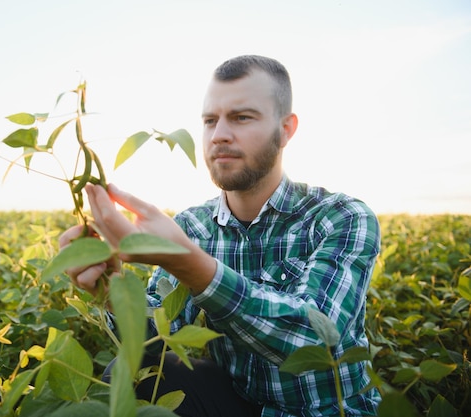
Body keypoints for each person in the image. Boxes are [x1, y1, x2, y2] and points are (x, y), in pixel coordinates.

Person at [59, 55, 381, 416]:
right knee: (133, 374)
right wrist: (112, 288)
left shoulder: (340, 216)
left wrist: (190, 264)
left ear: (286, 129)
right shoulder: (193, 226)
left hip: (324, 411)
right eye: (210, 120)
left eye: (242, 117)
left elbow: (316, 342)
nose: (219, 134)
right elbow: (153, 339)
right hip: (242, 404)